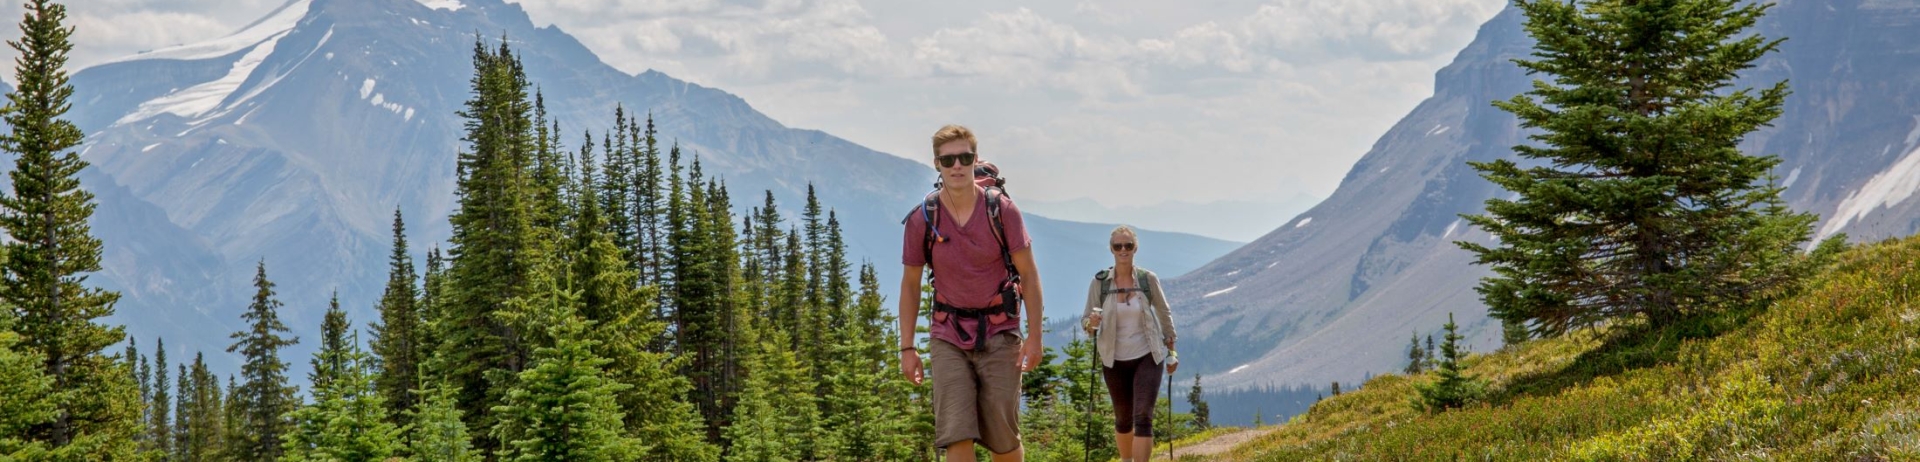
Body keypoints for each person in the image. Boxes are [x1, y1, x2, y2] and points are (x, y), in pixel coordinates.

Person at [899, 124, 1045, 461]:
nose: (957, 166)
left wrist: (1034, 337)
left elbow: (1029, 274)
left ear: (975, 158)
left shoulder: (1001, 210)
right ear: (936, 164)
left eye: (964, 157)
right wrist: (907, 347)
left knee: (1002, 438)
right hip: (947, 333)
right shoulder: (924, 218)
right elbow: (910, 284)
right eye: (948, 160)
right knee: (957, 435)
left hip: (1000, 332)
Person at [1082, 225, 1176, 462]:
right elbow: (1086, 323)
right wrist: (1091, 322)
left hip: (1148, 355)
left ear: (1135, 248)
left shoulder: (1147, 279)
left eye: (1128, 245)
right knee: (1123, 419)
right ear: (1111, 249)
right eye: (1118, 246)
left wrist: (1172, 350)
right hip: (1114, 359)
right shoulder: (1100, 283)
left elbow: (1164, 313)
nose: (1123, 250)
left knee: (1143, 415)